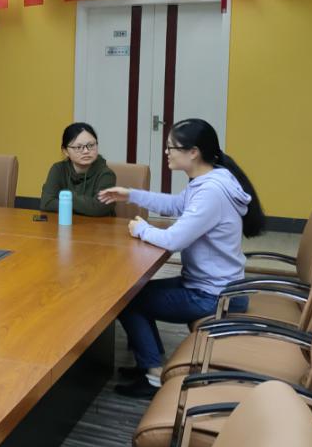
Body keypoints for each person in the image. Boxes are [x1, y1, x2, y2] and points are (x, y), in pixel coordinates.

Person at [98, 118, 266, 398]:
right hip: (213, 286)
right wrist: (131, 195)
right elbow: (176, 205)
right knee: (133, 292)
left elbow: (174, 240)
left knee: (127, 300)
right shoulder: (209, 180)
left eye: (171, 147)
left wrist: (142, 229)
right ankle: (149, 361)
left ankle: (153, 373)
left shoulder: (211, 192)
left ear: (193, 152)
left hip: (213, 295)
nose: (167, 152)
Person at [39, 122, 117, 217]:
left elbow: (99, 208)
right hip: (67, 223)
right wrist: (87, 206)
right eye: (78, 147)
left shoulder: (106, 174)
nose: (86, 151)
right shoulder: (58, 169)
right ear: (65, 151)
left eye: (91, 145)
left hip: (99, 225)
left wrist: (67, 198)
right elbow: (46, 203)